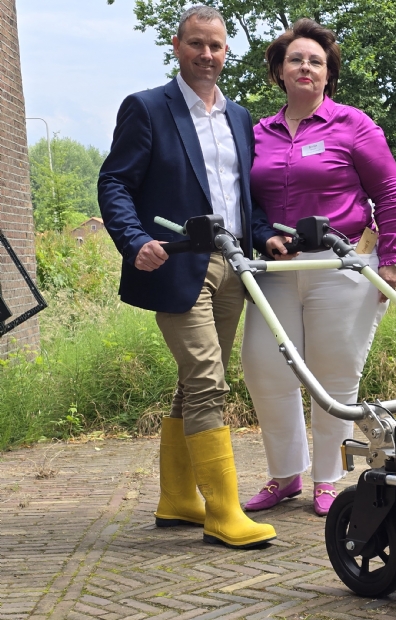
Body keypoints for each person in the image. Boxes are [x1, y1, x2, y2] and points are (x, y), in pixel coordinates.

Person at [98, 5, 286, 549]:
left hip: (233, 266)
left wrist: (264, 233)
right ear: (177, 47)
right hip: (178, 265)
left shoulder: (240, 117)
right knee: (207, 379)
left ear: (227, 52)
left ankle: (177, 498)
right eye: (197, 44)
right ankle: (224, 512)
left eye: (217, 46)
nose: (208, 55)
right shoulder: (147, 108)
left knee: (195, 381)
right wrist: (135, 242)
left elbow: (242, 197)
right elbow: (115, 183)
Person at [242, 18, 396, 516]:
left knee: (334, 373)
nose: (305, 67)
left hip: (342, 266)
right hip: (275, 269)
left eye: (315, 60)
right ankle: (284, 475)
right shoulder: (257, 133)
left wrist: (394, 260)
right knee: (263, 366)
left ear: (328, 73)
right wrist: (261, 236)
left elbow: (391, 192)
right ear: (279, 70)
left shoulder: (353, 125)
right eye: (295, 58)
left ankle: (328, 478)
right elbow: (246, 203)